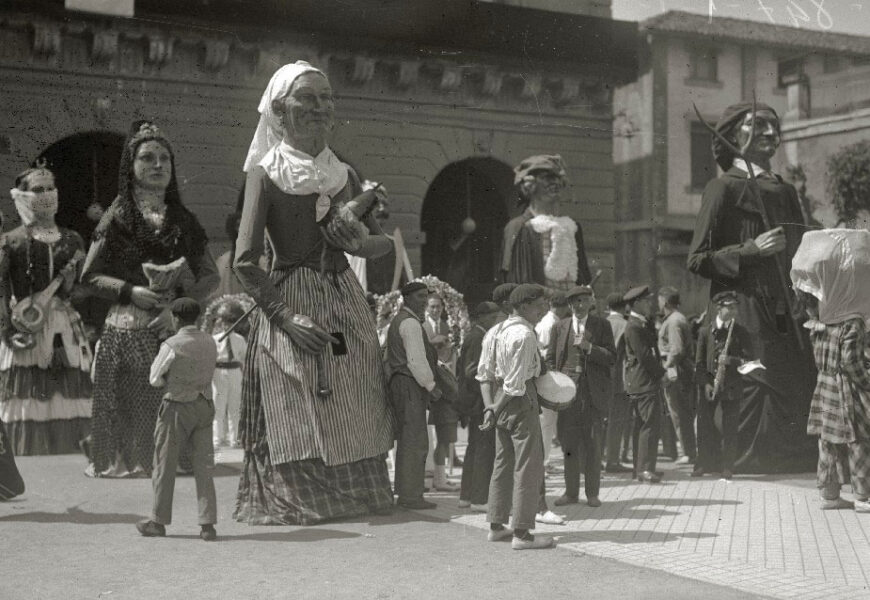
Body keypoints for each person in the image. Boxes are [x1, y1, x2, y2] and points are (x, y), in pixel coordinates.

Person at [233, 61, 395, 524]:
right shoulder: (265, 174)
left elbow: (380, 241)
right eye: (308, 98)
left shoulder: (343, 172)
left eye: (326, 98)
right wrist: (284, 317)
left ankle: (361, 489)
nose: (320, 107)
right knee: (299, 387)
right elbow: (245, 260)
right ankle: (302, 496)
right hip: (293, 295)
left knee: (355, 386)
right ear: (280, 109)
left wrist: (361, 244)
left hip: (344, 296)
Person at [83, 120, 219, 478]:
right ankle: (127, 458)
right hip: (127, 323)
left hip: (172, 324)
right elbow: (89, 276)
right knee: (131, 397)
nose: (158, 165)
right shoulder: (117, 217)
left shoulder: (184, 221)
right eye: (147, 158)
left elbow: (210, 275)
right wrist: (130, 291)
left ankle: (173, 456)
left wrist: (180, 309)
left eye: (164, 159)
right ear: (131, 168)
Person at [687, 101, 815, 473]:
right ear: (733, 136)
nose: (771, 135)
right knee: (750, 381)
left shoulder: (785, 191)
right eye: (759, 126)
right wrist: (751, 250)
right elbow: (698, 259)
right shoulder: (721, 188)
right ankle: (738, 460)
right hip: (742, 308)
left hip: (787, 310)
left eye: (774, 127)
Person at [0, 165, 92, 455]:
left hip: (63, 325)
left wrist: (67, 287)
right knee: (30, 392)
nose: (46, 194)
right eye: (38, 189)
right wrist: (6, 328)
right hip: (26, 326)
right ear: (23, 196)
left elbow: (79, 289)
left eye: (50, 188)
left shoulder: (73, 239)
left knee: (66, 386)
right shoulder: (12, 240)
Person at [791, 229, 870, 513]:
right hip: (848, 389)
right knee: (859, 440)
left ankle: (829, 494)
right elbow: (851, 362)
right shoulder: (853, 323)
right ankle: (863, 496)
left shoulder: (819, 322)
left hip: (824, 386)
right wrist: (868, 381)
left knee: (828, 441)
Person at [478, 284, 555, 550]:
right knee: (528, 466)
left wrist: (490, 407)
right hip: (519, 400)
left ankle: (497, 526)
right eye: (540, 305)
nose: (544, 309)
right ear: (523, 307)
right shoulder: (525, 334)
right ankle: (522, 534)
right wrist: (495, 408)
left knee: (503, 463)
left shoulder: (493, 332)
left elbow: (485, 376)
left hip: (499, 399)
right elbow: (515, 384)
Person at [136, 298, 219, 541]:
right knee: (204, 466)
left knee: (164, 465)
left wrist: (171, 381)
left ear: (175, 318)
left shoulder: (171, 344)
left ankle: (158, 522)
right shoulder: (210, 341)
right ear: (197, 316)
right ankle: (208, 524)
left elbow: (154, 378)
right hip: (204, 404)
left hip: (176, 406)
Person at [546, 286, 615, 507]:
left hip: (592, 397)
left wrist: (589, 347)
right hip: (568, 397)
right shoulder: (559, 327)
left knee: (593, 445)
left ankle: (592, 494)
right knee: (569, 445)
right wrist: (555, 385)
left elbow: (612, 357)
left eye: (584, 301)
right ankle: (570, 493)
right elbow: (550, 359)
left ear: (590, 302)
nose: (579, 305)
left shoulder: (602, 325)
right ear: (569, 305)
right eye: (575, 302)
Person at [387, 282, 443, 509]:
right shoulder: (410, 323)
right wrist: (431, 386)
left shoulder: (400, 320)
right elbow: (416, 361)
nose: (423, 301)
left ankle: (407, 492)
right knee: (415, 441)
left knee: (409, 440)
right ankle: (411, 496)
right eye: (419, 296)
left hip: (402, 384)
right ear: (407, 298)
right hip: (409, 385)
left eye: (425, 296)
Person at [500, 155, 592, 290]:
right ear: (530, 184)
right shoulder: (519, 228)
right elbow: (514, 281)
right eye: (547, 177)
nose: (555, 183)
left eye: (558, 178)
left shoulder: (571, 228)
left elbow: (583, 277)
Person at [693, 292, 753, 480]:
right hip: (710, 385)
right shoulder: (705, 332)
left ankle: (728, 467)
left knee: (729, 427)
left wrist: (732, 360)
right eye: (730, 307)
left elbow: (750, 362)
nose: (734, 311)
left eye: (736, 307)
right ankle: (703, 464)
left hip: (731, 386)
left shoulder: (741, 332)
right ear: (719, 308)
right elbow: (699, 364)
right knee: (704, 426)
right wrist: (705, 384)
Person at [457, 301, 504, 509]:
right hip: (478, 402)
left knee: (475, 448)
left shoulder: (475, 334)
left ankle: (467, 496)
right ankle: (479, 498)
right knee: (483, 448)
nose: (495, 321)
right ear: (483, 317)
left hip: (474, 401)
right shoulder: (479, 337)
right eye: (493, 317)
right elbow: (472, 371)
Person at [623, 285, 666, 483]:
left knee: (643, 425)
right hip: (644, 381)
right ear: (637, 303)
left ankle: (641, 468)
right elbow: (645, 356)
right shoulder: (633, 326)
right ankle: (644, 469)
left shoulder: (641, 324)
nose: (650, 304)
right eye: (647, 301)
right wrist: (662, 374)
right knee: (649, 425)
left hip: (642, 382)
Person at [657, 286, 696, 465]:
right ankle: (688, 451)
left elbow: (677, 349)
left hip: (676, 371)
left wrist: (666, 366)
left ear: (664, 302)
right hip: (681, 370)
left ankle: (688, 452)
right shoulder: (678, 318)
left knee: (678, 412)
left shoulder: (673, 322)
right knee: (681, 412)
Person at [206, 297, 247, 448]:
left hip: (235, 371)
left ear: (233, 324)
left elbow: (244, 357)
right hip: (219, 371)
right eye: (223, 322)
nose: (225, 325)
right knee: (218, 406)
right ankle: (217, 438)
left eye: (229, 322)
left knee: (235, 407)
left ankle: (235, 438)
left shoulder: (239, 339)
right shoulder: (214, 339)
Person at [535, 290, 570, 474]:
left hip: (547, 376)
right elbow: (547, 353)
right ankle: (543, 462)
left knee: (548, 424)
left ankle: (544, 460)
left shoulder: (549, 322)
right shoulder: (551, 324)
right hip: (547, 377)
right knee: (546, 424)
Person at [603, 292, 632, 473]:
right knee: (618, 421)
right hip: (620, 380)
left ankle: (599, 459)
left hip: (603, 379)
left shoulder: (601, 323)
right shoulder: (625, 325)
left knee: (602, 421)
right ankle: (613, 460)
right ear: (624, 307)